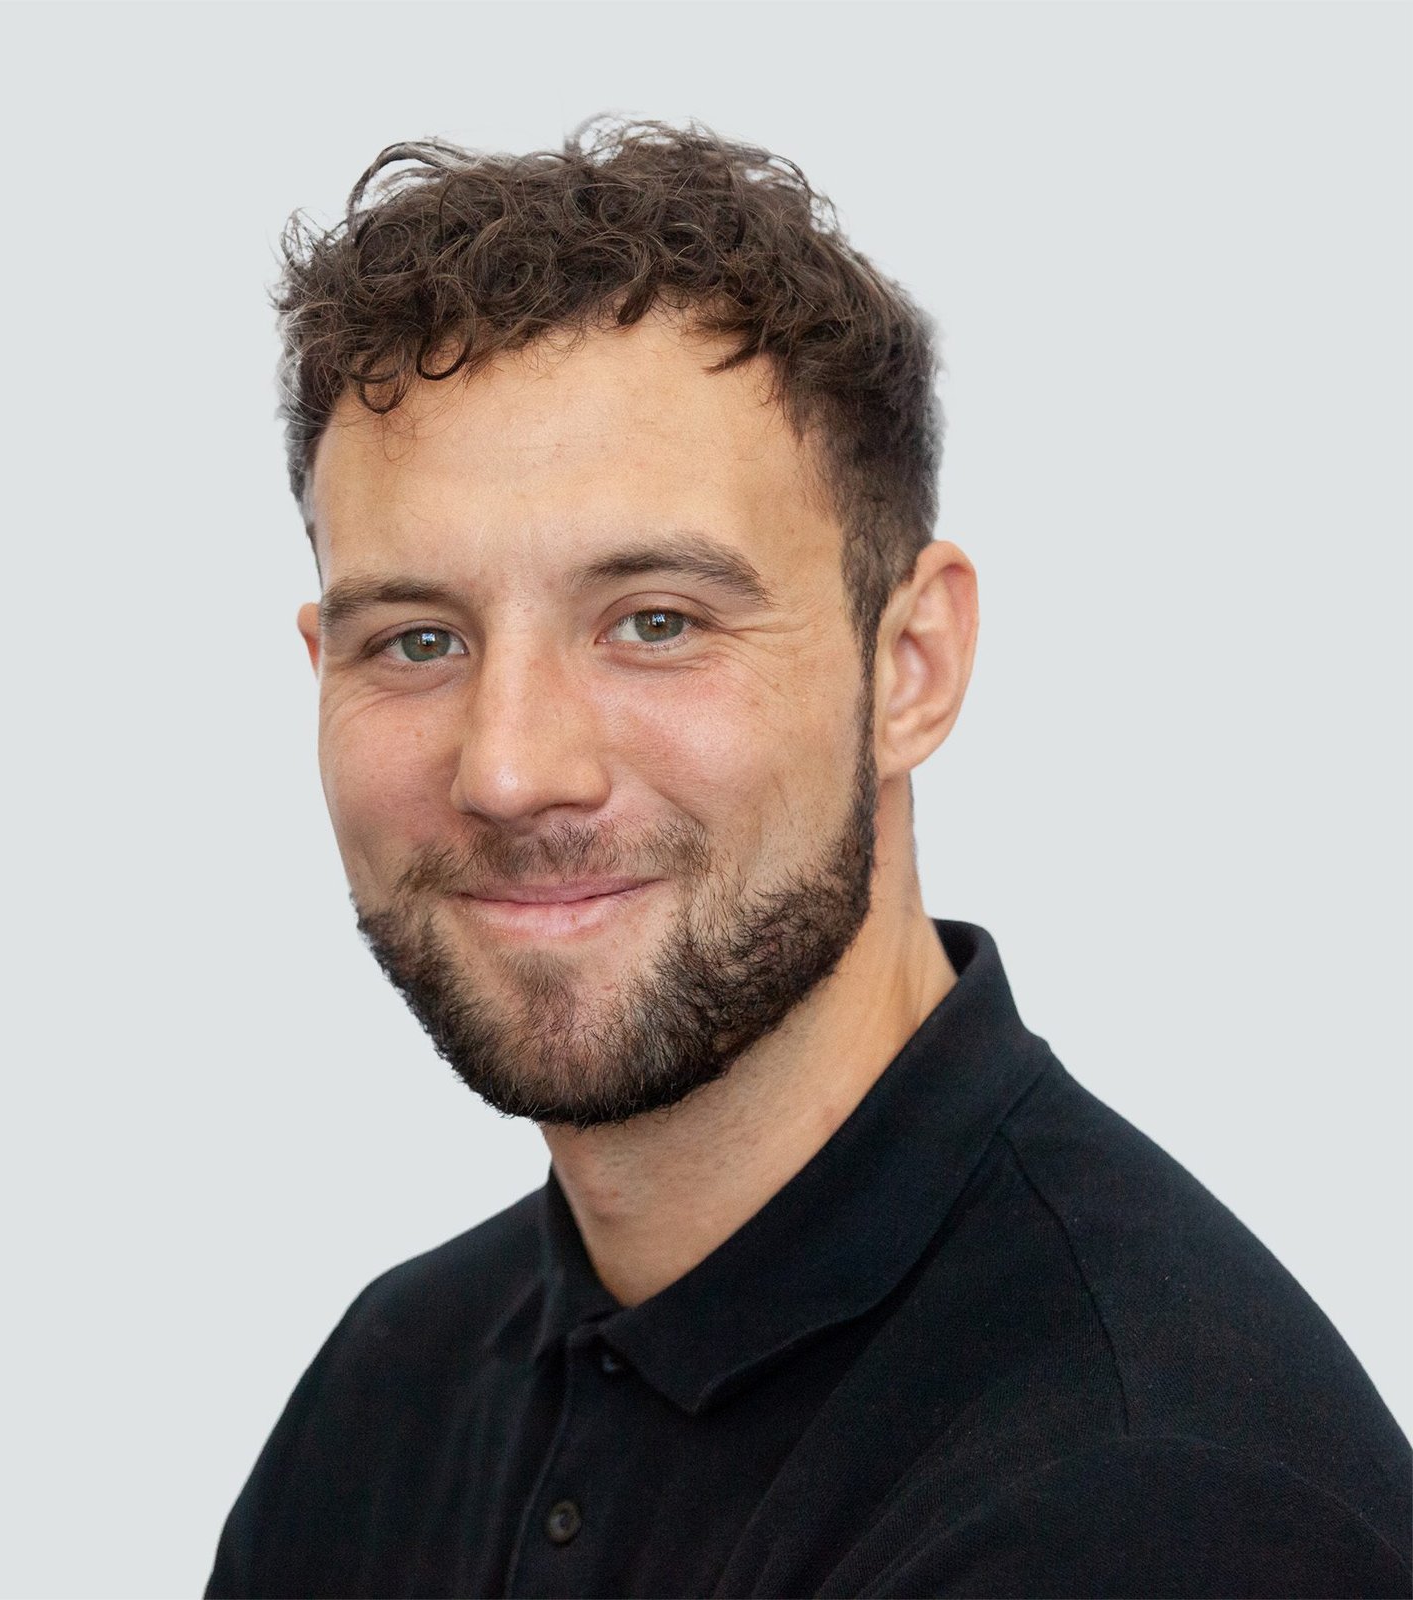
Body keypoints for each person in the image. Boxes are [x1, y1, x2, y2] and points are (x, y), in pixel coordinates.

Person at [205, 119, 1411, 1599]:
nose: (512, 768)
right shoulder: (387, 1402)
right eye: (420, 641)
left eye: (655, 620)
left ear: (910, 664)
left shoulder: (1149, 1502)